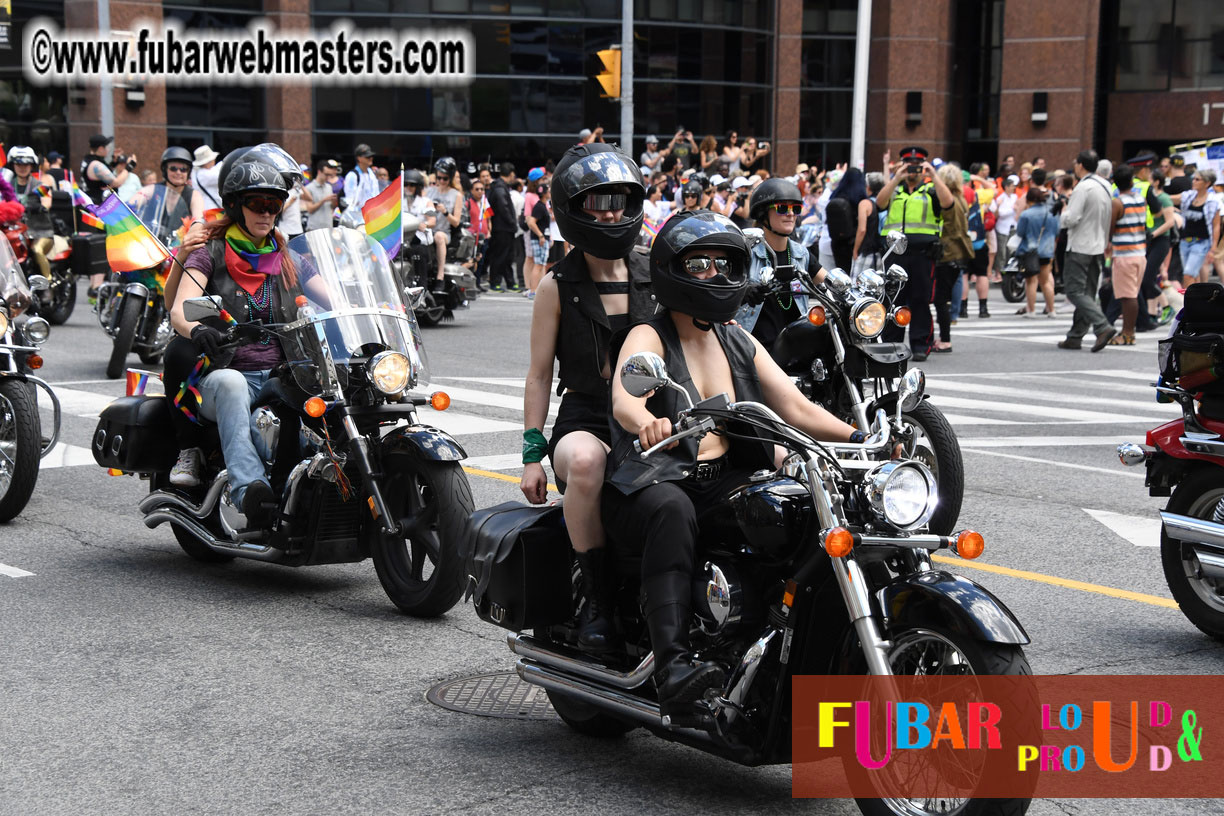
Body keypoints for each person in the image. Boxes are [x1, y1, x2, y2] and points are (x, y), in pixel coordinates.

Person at [604, 210, 858, 719]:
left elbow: (796, 406)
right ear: (671, 269)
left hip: (724, 479)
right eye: (700, 264)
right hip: (655, 479)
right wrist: (647, 422)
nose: (715, 274)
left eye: (725, 263)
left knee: (796, 509)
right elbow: (624, 399)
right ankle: (674, 668)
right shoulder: (649, 335)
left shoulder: (735, 337)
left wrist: (861, 438)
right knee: (673, 511)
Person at [520, 143, 655, 653]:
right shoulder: (556, 284)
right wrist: (532, 455)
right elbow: (538, 376)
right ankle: (597, 597)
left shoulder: (656, 272)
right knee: (583, 462)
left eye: (619, 201)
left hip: (651, 412)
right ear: (573, 209)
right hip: (587, 415)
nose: (612, 213)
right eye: (598, 203)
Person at [169, 159, 303, 524]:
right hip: (223, 375)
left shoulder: (285, 255)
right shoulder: (209, 250)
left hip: (277, 374)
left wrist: (376, 305)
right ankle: (249, 491)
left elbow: (329, 294)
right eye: (257, 203)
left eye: (274, 204)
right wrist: (197, 330)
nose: (266, 212)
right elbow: (179, 309)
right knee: (231, 384)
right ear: (234, 206)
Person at [876, 146, 956, 361]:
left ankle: (921, 345)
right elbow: (879, 203)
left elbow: (948, 203)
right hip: (896, 253)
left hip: (923, 254)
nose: (913, 169)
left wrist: (934, 176)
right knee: (893, 299)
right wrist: (896, 177)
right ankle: (892, 344)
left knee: (920, 299)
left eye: (917, 165)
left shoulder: (931, 190)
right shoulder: (895, 190)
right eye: (908, 165)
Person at [736, 177, 821, 349]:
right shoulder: (746, 253)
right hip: (755, 350)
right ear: (763, 214)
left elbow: (829, 280)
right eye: (782, 208)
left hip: (795, 348)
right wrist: (743, 291)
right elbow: (723, 291)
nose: (791, 214)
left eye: (796, 208)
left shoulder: (801, 254)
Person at [1058, 149, 1117, 351]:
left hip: (1080, 245)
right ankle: (1075, 336)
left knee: (1074, 291)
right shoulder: (1106, 185)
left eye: (1076, 163)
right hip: (1098, 245)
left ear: (1081, 165)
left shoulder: (1083, 187)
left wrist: (1063, 214)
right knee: (1088, 292)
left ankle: (1102, 326)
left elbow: (1072, 218)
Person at [1105, 164, 1147, 346]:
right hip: (1140, 253)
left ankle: (1128, 333)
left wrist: (1107, 244)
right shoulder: (1141, 199)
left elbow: (1110, 228)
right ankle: (1128, 333)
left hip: (1124, 255)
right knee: (1132, 294)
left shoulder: (1117, 203)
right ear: (1131, 181)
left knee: (1128, 296)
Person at [7, 147, 58, 281]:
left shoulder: (39, 185)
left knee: (37, 250)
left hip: (39, 231)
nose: (22, 168)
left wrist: (39, 207)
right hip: (14, 231)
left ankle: (47, 282)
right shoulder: (8, 186)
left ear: (32, 166)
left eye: (26, 164)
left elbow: (47, 202)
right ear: (13, 165)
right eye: (18, 164)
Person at [1013, 187, 1059, 318]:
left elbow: (1020, 232)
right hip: (1047, 250)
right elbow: (1057, 231)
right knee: (1045, 281)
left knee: (1031, 281)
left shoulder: (1026, 215)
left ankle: (1031, 310)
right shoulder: (1051, 213)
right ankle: (1051, 310)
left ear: (1029, 199)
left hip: (1030, 250)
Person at [426, 157, 464, 288]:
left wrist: (445, 212)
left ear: (450, 178)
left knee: (439, 236)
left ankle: (440, 276)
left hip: (444, 232)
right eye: (439, 178)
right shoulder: (429, 191)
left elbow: (456, 222)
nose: (441, 181)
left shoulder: (456, 195)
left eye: (445, 178)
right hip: (427, 229)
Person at [1179, 168, 1221, 284]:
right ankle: (1196, 295)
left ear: (1207, 183)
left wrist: (1213, 249)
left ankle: (1187, 296)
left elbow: (1216, 226)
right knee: (1193, 275)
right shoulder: (1189, 196)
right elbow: (1172, 198)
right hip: (1185, 241)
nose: (1193, 181)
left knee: (1188, 274)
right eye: (1193, 179)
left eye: (1197, 179)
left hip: (1201, 243)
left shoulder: (1213, 201)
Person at [483, 163, 518, 293]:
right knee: (500, 256)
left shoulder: (499, 187)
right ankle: (495, 283)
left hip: (504, 227)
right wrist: (512, 223)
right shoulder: (499, 188)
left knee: (507, 256)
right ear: (510, 174)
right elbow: (504, 208)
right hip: (502, 228)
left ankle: (510, 282)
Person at [824, 167, 867, 271]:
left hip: (836, 242)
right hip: (853, 242)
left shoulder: (835, 195)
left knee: (841, 273)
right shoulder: (860, 197)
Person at [852, 172, 886, 276]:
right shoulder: (885, 203)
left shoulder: (865, 204)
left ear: (868, 187)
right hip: (882, 252)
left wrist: (855, 249)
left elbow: (862, 230)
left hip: (866, 251)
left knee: (858, 284)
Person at [302, 159, 341, 231]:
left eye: (330, 175)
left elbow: (332, 207)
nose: (328, 177)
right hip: (314, 229)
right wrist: (324, 200)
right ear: (319, 172)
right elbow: (310, 209)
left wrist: (334, 201)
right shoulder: (309, 188)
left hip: (328, 227)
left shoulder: (329, 187)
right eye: (326, 174)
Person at [343, 144, 380, 215]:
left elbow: (376, 193)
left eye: (371, 156)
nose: (371, 158)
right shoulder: (352, 175)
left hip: (372, 214)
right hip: (358, 215)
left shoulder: (372, 174)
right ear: (359, 158)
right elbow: (350, 200)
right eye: (367, 157)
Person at [191, 145, 222, 209]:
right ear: (208, 162)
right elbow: (222, 174)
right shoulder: (204, 174)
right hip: (211, 209)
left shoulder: (196, 172)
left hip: (205, 207)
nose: (214, 161)